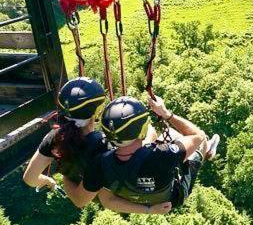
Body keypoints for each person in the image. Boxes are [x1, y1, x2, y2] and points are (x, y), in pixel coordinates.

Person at [23, 77, 169, 215]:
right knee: (165, 137)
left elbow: (29, 178)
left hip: (86, 183)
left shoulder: (54, 137)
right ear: (97, 111)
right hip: (108, 191)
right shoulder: (102, 147)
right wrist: (145, 126)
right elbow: (92, 200)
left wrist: (49, 181)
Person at [73, 95, 219, 214]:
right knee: (202, 140)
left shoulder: (99, 165)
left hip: (135, 195)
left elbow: (107, 201)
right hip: (172, 196)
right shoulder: (162, 155)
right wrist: (166, 114)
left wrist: (149, 210)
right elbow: (197, 135)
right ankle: (206, 151)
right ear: (141, 131)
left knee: (173, 135)